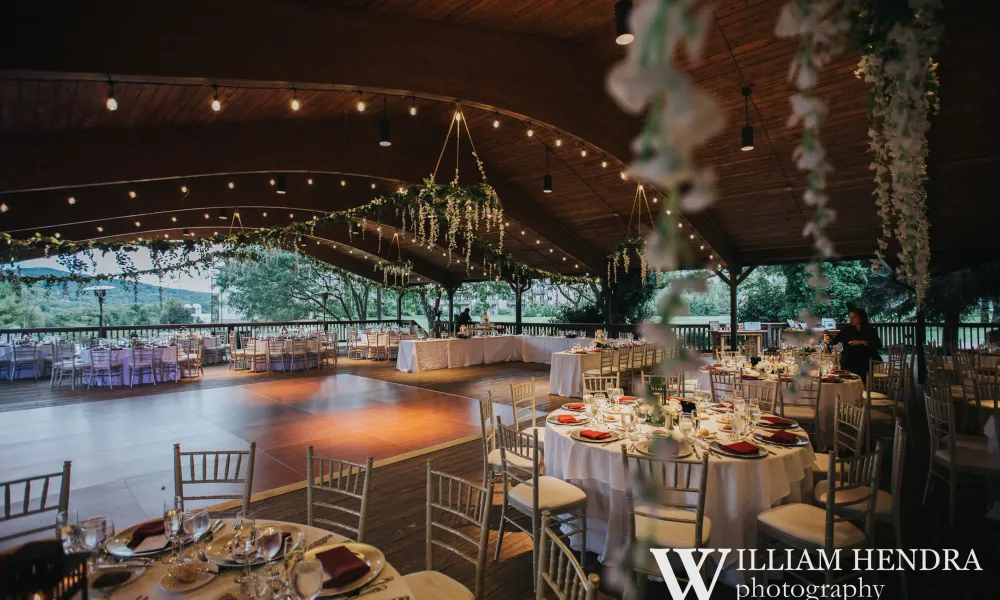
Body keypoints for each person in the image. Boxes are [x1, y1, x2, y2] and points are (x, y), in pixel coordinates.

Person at [824, 307, 882, 382]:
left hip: (864, 363)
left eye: (854, 317)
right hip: (848, 362)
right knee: (846, 383)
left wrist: (862, 342)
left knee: (862, 384)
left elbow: (878, 345)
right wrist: (827, 341)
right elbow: (833, 342)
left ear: (861, 318)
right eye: (850, 317)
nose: (851, 320)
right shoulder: (846, 330)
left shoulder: (870, 331)